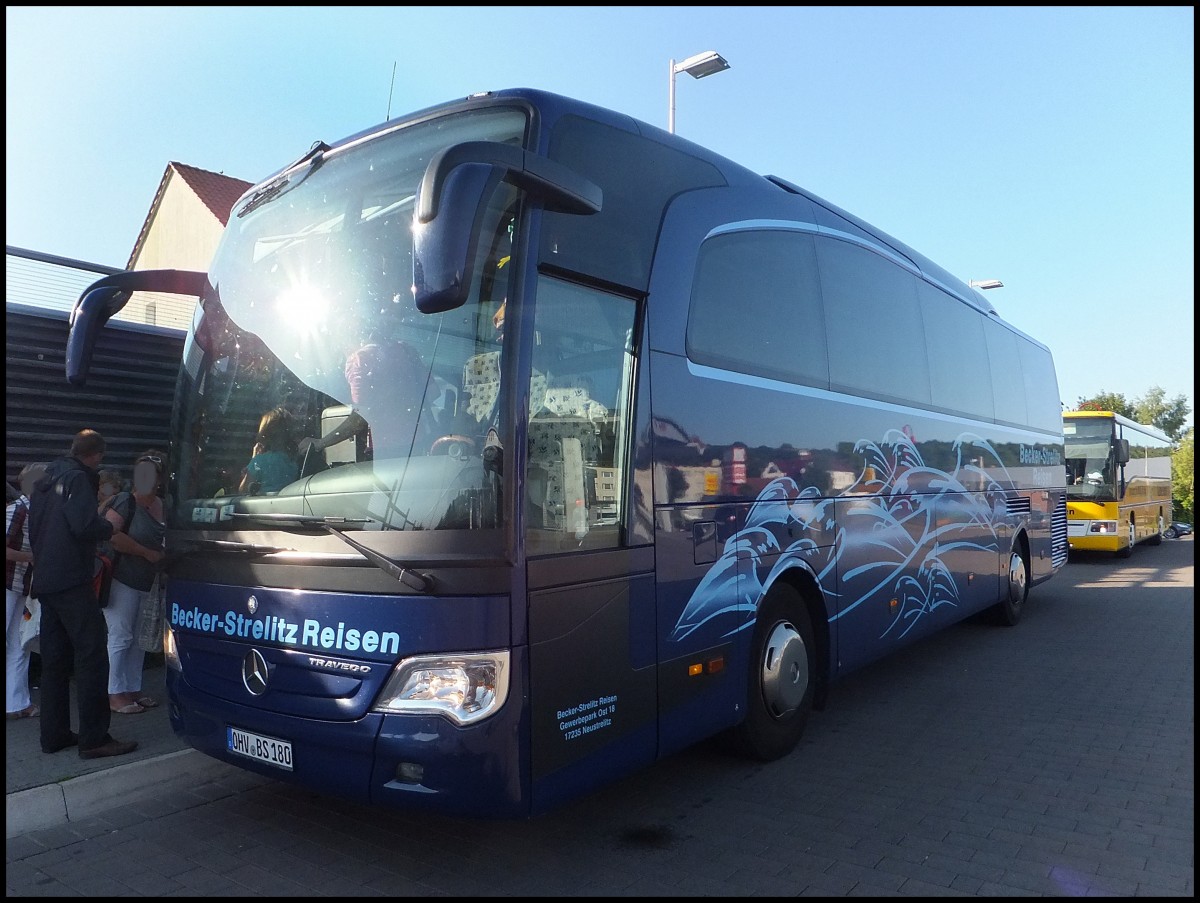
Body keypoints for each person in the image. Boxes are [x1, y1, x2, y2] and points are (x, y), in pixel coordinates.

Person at [28, 429, 138, 759]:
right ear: (97, 455)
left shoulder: (45, 479)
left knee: (55, 661)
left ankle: (54, 734)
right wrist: (110, 527)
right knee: (91, 654)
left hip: (46, 580)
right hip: (72, 579)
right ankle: (94, 739)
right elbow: (83, 526)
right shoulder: (78, 479)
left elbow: (36, 530)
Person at [103, 450, 167, 714]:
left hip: (149, 583)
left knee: (139, 638)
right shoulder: (123, 502)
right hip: (121, 580)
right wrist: (147, 553)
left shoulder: (163, 505)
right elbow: (111, 536)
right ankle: (114, 693)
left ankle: (132, 689)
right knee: (120, 635)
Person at [299, 335, 434, 461]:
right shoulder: (407, 350)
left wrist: (320, 443)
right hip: (420, 447)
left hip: (387, 453)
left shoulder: (359, 360)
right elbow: (433, 392)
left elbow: (360, 418)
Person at [6, 463, 46, 720]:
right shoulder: (17, 510)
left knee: (19, 644)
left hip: (21, 587)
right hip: (11, 586)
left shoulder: (34, 510)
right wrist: (30, 557)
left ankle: (16, 703)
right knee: (16, 643)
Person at [240, 407, 299, 494]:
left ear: (265, 434)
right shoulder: (294, 461)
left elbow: (243, 491)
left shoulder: (259, 461)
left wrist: (254, 459)